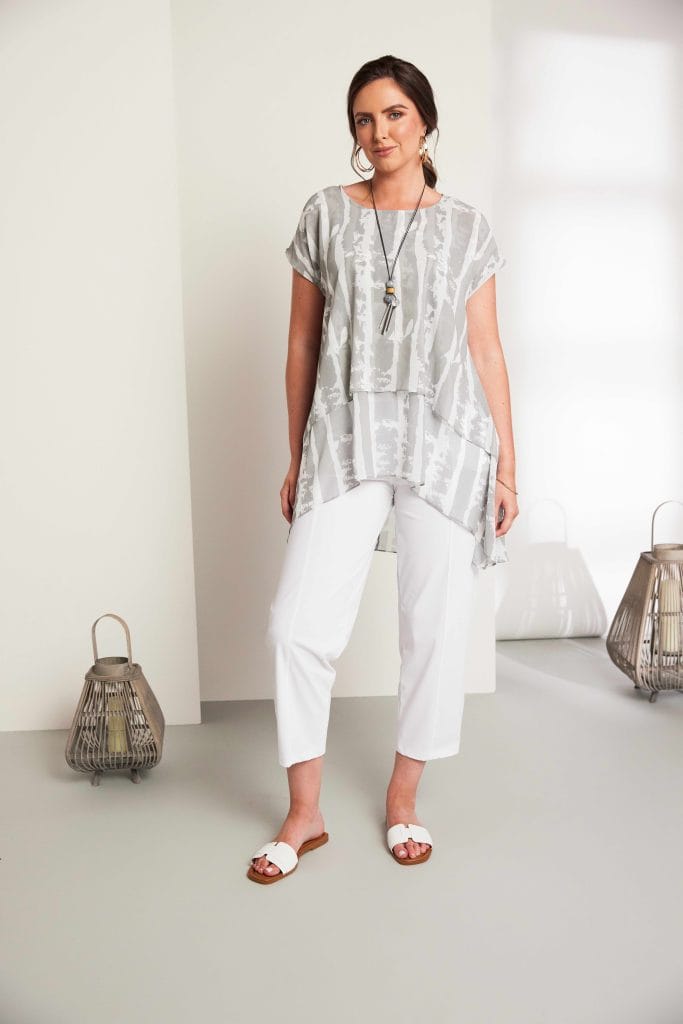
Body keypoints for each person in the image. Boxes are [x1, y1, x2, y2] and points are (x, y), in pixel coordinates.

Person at [248, 54, 518, 884]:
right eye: (363, 119)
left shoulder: (465, 227)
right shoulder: (325, 214)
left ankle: (404, 799)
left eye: (394, 114)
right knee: (296, 626)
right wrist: (297, 453)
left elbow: (485, 350)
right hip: (346, 436)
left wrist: (507, 469)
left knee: (434, 628)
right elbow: (301, 342)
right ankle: (304, 812)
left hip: (446, 441)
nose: (379, 132)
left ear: (425, 122)